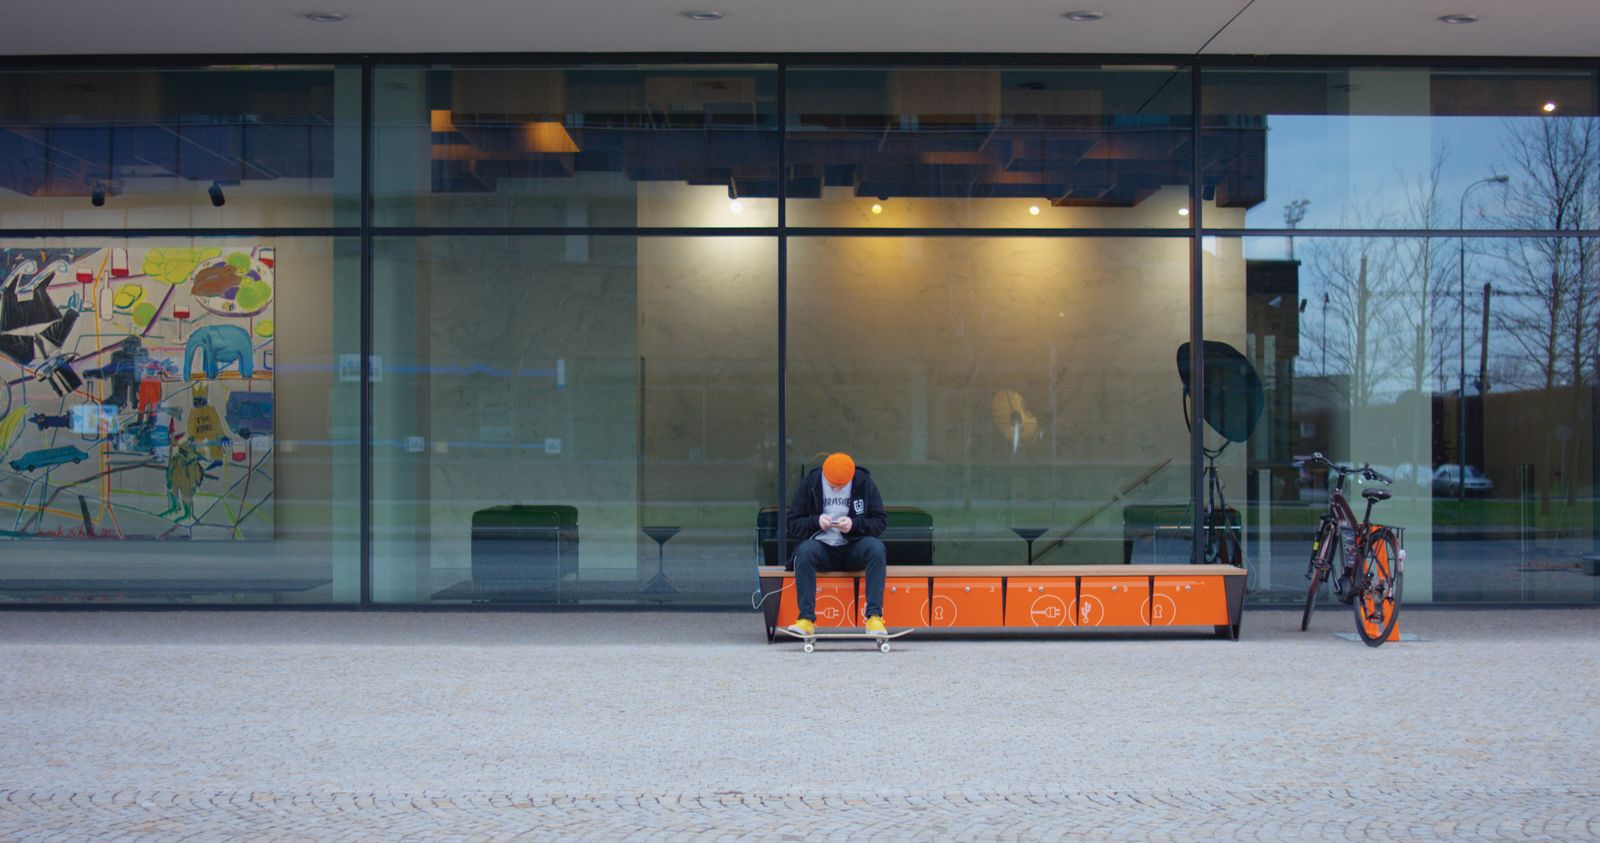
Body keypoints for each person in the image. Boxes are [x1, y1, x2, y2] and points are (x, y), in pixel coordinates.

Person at [785, 452, 889, 637]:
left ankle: (874, 617)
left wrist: (854, 525)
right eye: (833, 486)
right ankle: (806, 619)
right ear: (824, 475)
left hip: (853, 547)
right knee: (805, 551)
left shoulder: (864, 483)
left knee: (876, 548)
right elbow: (792, 523)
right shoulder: (811, 483)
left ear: (851, 478)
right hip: (821, 548)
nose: (837, 489)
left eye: (842, 486)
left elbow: (880, 522)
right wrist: (816, 522)